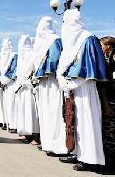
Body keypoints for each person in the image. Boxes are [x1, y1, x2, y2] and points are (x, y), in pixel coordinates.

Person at [57, 9, 107, 171]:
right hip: (73, 89)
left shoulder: (88, 39)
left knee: (87, 122)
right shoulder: (74, 42)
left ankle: (90, 159)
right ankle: (78, 153)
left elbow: (87, 69)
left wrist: (69, 84)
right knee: (74, 122)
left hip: (85, 89)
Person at [33, 16, 67, 155]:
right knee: (45, 112)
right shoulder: (42, 43)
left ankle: (58, 145)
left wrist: (44, 71)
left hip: (52, 81)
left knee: (54, 112)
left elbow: (54, 61)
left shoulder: (55, 40)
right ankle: (48, 143)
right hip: (43, 82)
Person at [15, 35, 39, 145]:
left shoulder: (33, 54)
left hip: (29, 88)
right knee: (24, 112)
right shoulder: (21, 57)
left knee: (32, 112)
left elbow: (35, 69)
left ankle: (35, 135)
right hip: (22, 88)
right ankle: (27, 133)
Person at [99, 36, 115, 165]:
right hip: (110, 100)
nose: (101, 47)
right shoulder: (108, 60)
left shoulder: (112, 62)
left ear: (108, 46)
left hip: (112, 101)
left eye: (102, 45)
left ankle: (110, 162)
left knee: (110, 133)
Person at [0, 38, 18, 132]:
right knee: (6, 105)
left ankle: (13, 125)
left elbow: (12, 71)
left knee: (12, 105)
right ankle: (7, 123)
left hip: (11, 84)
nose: (3, 49)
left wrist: (2, 81)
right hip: (4, 85)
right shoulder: (2, 59)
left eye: (5, 46)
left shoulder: (14, 56)